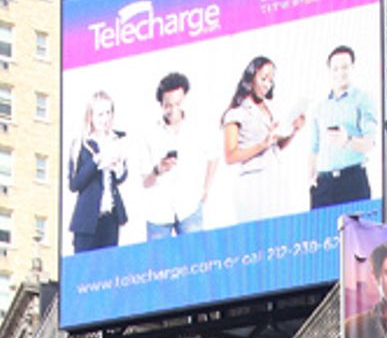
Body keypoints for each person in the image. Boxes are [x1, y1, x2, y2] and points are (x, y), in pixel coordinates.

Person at [221, 56, 303, 225]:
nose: (267, 84)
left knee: (280, 235)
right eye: (264, 79)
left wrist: (294, 130)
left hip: (275, 179)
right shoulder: (236, 113)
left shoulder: (269, 107)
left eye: (271, 80)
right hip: (252, 184)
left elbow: (277, 146)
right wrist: (262, 144)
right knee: (256, 239)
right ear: (251, 77)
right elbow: (230, 156)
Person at [140, 72, 216, 240]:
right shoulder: (149, 134)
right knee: (159, 266)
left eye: (178, 103)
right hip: (158, 214)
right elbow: (145, 181)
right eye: (168, 105)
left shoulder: (197, 127)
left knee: (195, 262)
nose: (174, 110)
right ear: (161, 104)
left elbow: (213, 155)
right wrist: (158, 169)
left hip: (189, 208)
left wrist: (206, 189)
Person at [307, 45, 377, 211]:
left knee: (354, 235)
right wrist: (311, 177)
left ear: (353, 67)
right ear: (330, 72)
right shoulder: (319, 108)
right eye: (335, 68)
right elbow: (313, 148)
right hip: (324, 185)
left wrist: (347, 140)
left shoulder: (363, 100)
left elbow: (370, 144)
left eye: (345, 67)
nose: (340, 73)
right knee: (321, 234)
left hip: (352, 181)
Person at [68, 92, 128, 253]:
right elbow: (74, 184)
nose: (105, 119)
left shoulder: (118, 139)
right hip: (86, 221)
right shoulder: (81, 143)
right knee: (85, 272)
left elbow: (121, 177)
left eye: (108, 113)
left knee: (108, 271)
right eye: (100, 114)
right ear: (91, 116)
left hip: (111, 217)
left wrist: (118, 169)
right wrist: (97, 161)